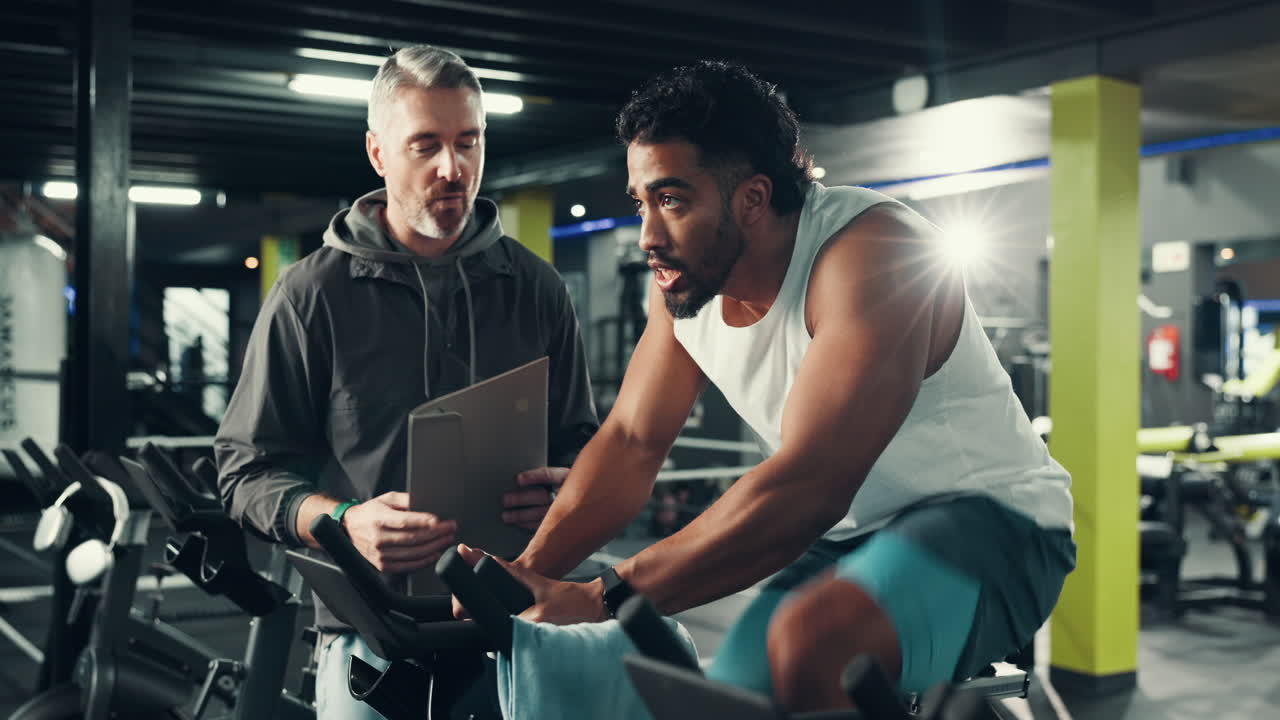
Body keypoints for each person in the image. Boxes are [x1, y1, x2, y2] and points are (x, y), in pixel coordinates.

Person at [466, 60, 1076, 713]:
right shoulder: (683, 286)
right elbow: (633, 441)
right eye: (641, 203)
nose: (648, 236)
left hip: (996, 527)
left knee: (812, 645)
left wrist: (603, 596)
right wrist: (526, 578)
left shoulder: (871, 253)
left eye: (672, 201)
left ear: (752, 199)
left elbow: (810, 482)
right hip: (852, 537)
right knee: (739, 690)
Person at [214, 46, 598, 720]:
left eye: (467, 142)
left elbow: (582, 444)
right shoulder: (310, 295)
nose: (453, 169)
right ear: (378, 153)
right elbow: (244, 472)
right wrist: (341, 520)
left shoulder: (536, 287)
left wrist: (566, 492)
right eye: (426, 145)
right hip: (372, 635)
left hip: (518, 623)